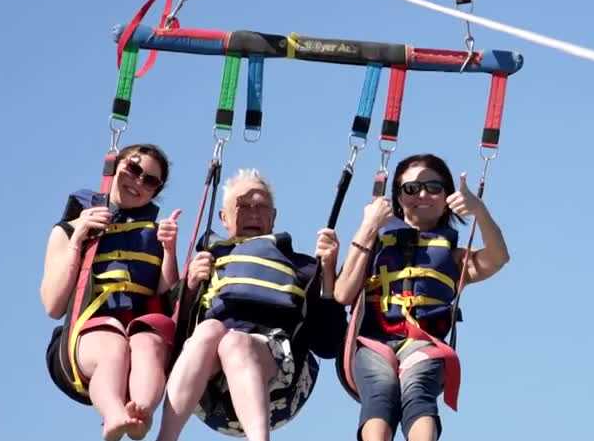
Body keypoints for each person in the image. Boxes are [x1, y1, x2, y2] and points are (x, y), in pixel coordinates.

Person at [327, 153, 510, 441]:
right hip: (374, 341)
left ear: (447, 195)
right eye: (411, 189)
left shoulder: (452, 257)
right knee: (380, 391)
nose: (422, 194)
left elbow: (498, 258)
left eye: (433, 187)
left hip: (424, 344)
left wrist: (479, 211)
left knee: (418, 389)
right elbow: (342, 293)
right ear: (398, 198)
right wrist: (368, 226)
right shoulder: (375, 244)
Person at [156, 169, 346, 441]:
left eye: (262, 206)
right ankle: (165, 437)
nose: (254, 213)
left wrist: (327, 275)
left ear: (274, 216)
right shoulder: (207, 261)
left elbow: (328, 344)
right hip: (210, 393)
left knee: (235, 342)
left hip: (279, 388)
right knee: (209, 329)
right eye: (243, 205)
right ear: (223, 217)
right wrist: (188, 289)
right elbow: (170, 333)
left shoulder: (302, 266)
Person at [41, 143, 182, 441]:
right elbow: (54, 306)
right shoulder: (67, 230)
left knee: (149, 344)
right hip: (87, 336)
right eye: (133, 168)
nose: (138, 181)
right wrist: (79, 239)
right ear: (115, 166)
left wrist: (169, 251)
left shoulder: (155, 234)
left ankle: (140, 412)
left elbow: (170, 304)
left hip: (140, 328)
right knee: (113, 342)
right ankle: (113, 414)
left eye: (150, 181)